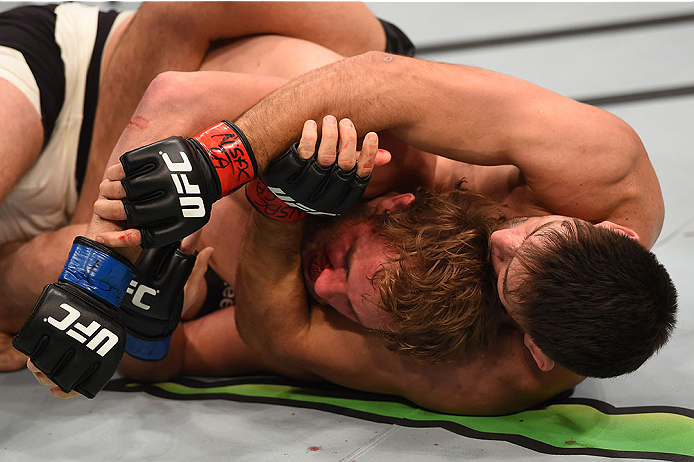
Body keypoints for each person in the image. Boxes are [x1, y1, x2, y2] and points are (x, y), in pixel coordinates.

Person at [0, 1, 402, 369]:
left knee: (95, 278)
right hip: (75, 90)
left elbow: (162, 359)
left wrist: (161, 318)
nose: (324, 283)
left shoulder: (347, 317)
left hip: (57, 243)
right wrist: (98, 228)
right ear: (396, 205)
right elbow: (174, 26)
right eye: (344, 259)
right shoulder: (373, 104)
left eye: (348, 306)